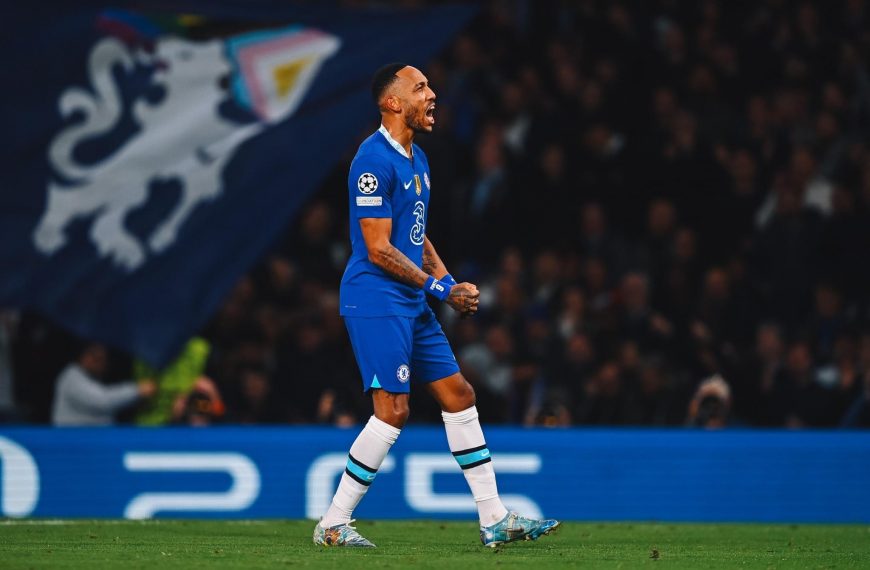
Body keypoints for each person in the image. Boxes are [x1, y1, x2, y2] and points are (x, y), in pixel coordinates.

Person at [313, 63, 559, 548]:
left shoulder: (417, 159)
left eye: (429, 86)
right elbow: (379, 248)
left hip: (411, 300)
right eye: (419, 87)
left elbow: (417, 236)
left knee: (459, 395)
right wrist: (440, 290)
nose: (431, 94)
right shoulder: (371, 160)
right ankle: (333, 524)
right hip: (376, 298)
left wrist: (447, 280)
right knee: (393, 410)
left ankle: (495, 519)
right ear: (392, 102)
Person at [51, 342, 156, 426]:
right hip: (70, 443)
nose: (102, 364)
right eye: (97, 358)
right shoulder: (72, 376)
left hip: (91, 442)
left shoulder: (93, 378)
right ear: (85, 356)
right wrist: (136, 390)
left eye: (103, 359)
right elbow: (103, 400)